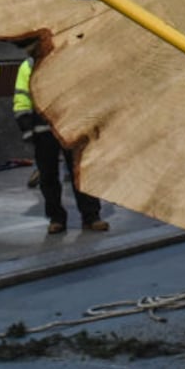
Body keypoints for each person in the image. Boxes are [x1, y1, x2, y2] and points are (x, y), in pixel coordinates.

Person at [12, 55, 109, 235]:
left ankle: (91, 216)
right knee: (48, 175)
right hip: (44, 129)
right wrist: (27, 127)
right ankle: (56, 218)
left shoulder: (71, 56)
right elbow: (22, 98)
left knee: (81, 172)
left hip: (72, 126)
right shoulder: (29, 65)